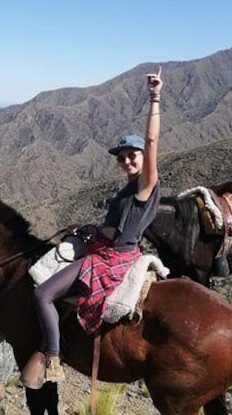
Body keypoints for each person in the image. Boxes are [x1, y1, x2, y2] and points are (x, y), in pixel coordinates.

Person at [30, 67, 163, 383]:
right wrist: (90, 230)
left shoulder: (146, 184)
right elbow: (116, 226)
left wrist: (155, 98)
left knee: (43, 295)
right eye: (122, 158)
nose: (127, 161)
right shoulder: (129, 188)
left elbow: (153, 139)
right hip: (110, 247)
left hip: (110, 259)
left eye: (133, 155)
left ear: (144, 157)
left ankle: (53, 358)